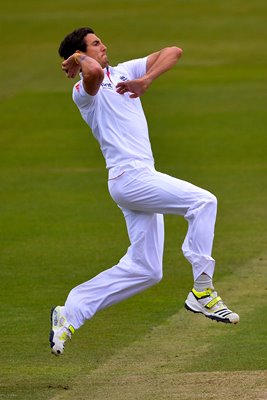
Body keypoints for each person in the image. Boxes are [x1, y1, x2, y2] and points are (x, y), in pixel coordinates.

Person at [49, 27, 239, 356]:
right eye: (95, 44)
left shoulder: (124, 71)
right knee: (203, 202)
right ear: (80, 56)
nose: (103, 45)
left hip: (139, 179)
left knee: (147, 269)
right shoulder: (83, 90)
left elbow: (174, 50)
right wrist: (80, 59)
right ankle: (203, 291)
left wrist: (147, 79)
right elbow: (92, 71)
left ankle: (71, 311)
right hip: (129, 177)